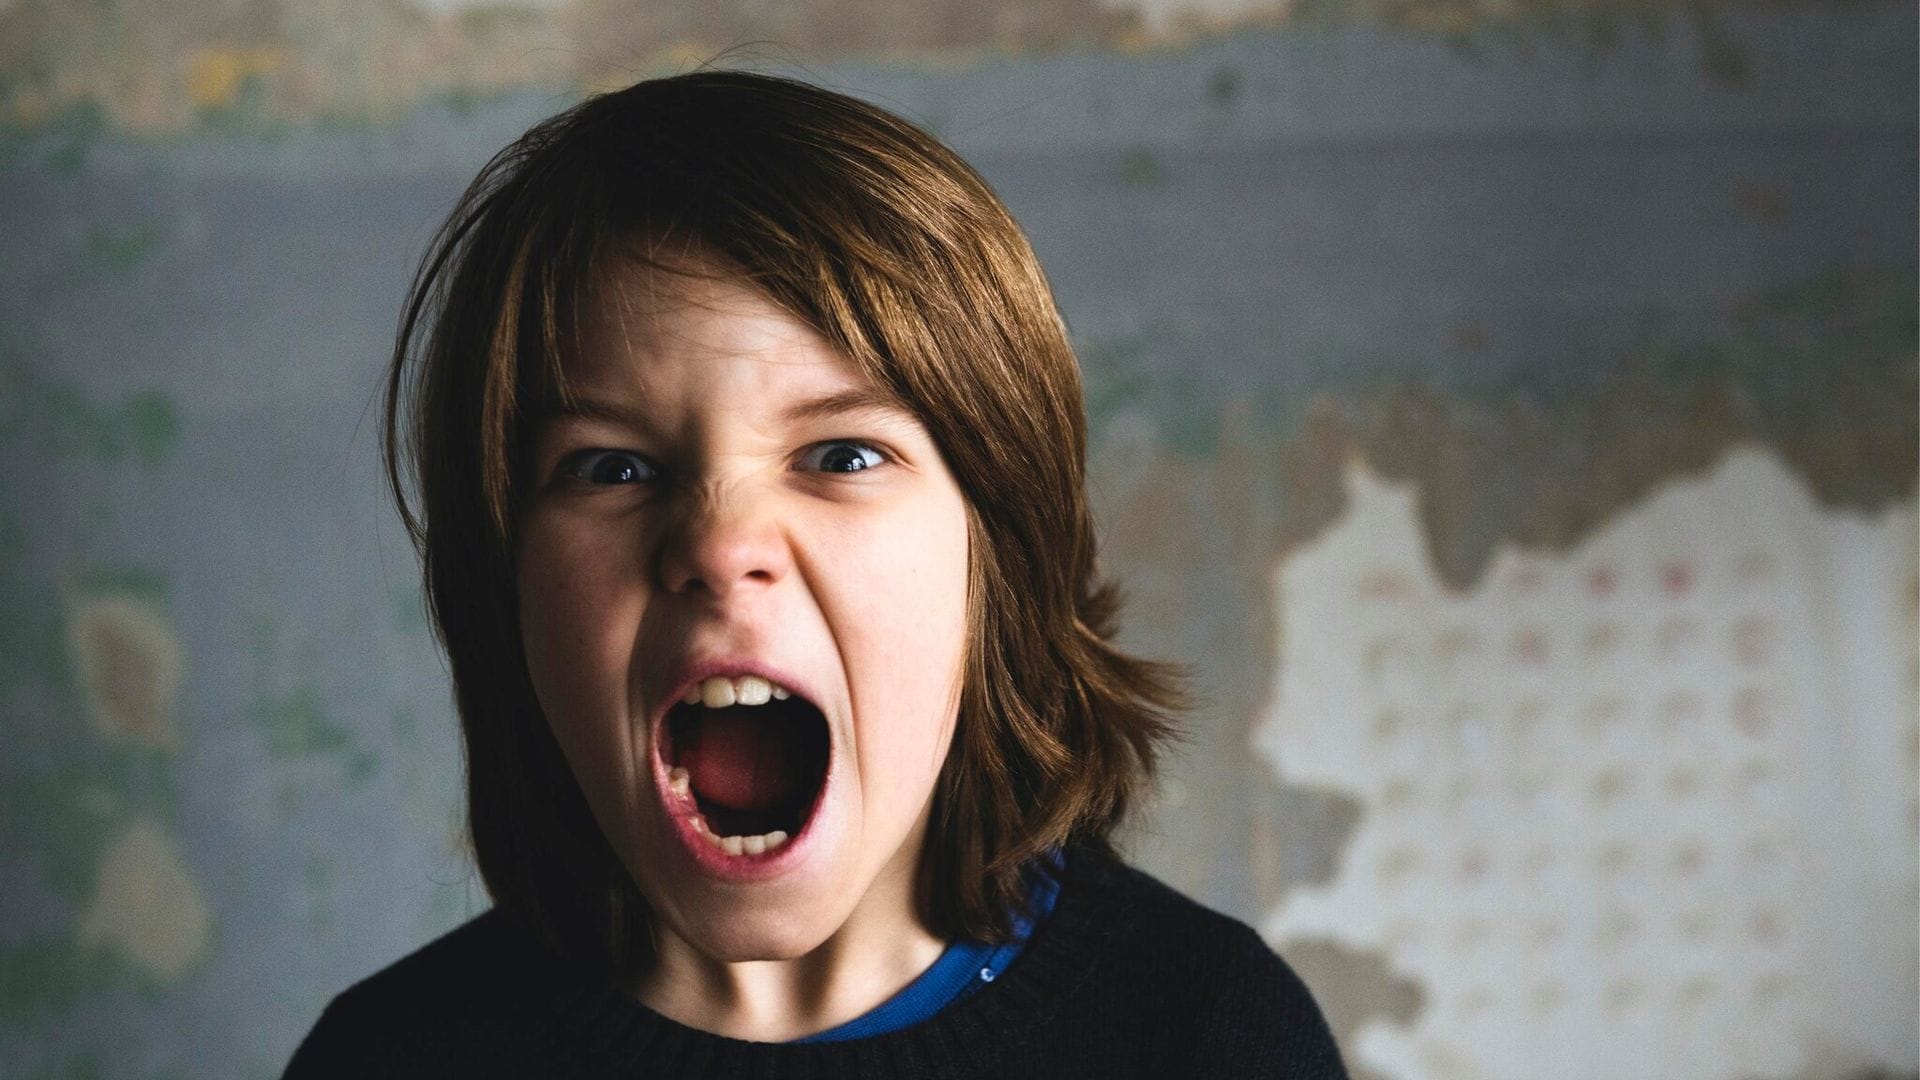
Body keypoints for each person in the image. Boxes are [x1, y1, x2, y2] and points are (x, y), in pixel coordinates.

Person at [284, 70, 1346, 1078]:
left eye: (841, 456)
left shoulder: (1209, 1038)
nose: (717, 544)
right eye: (612, 467)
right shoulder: (391, 1056)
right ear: (506, 593)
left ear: (1000, 559)